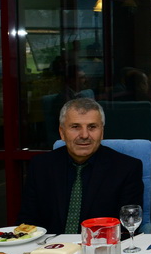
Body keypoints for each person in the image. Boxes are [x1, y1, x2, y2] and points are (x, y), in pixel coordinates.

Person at [19, 97, 144, 233]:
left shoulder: (126, 168)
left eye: (92, 127)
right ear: (62, 132)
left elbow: (128, 227)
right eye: (75, 127)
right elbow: (27, 223)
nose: (84, 135)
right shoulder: (40, 166)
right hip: (51, 245)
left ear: (102, 132)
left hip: (102, 244)